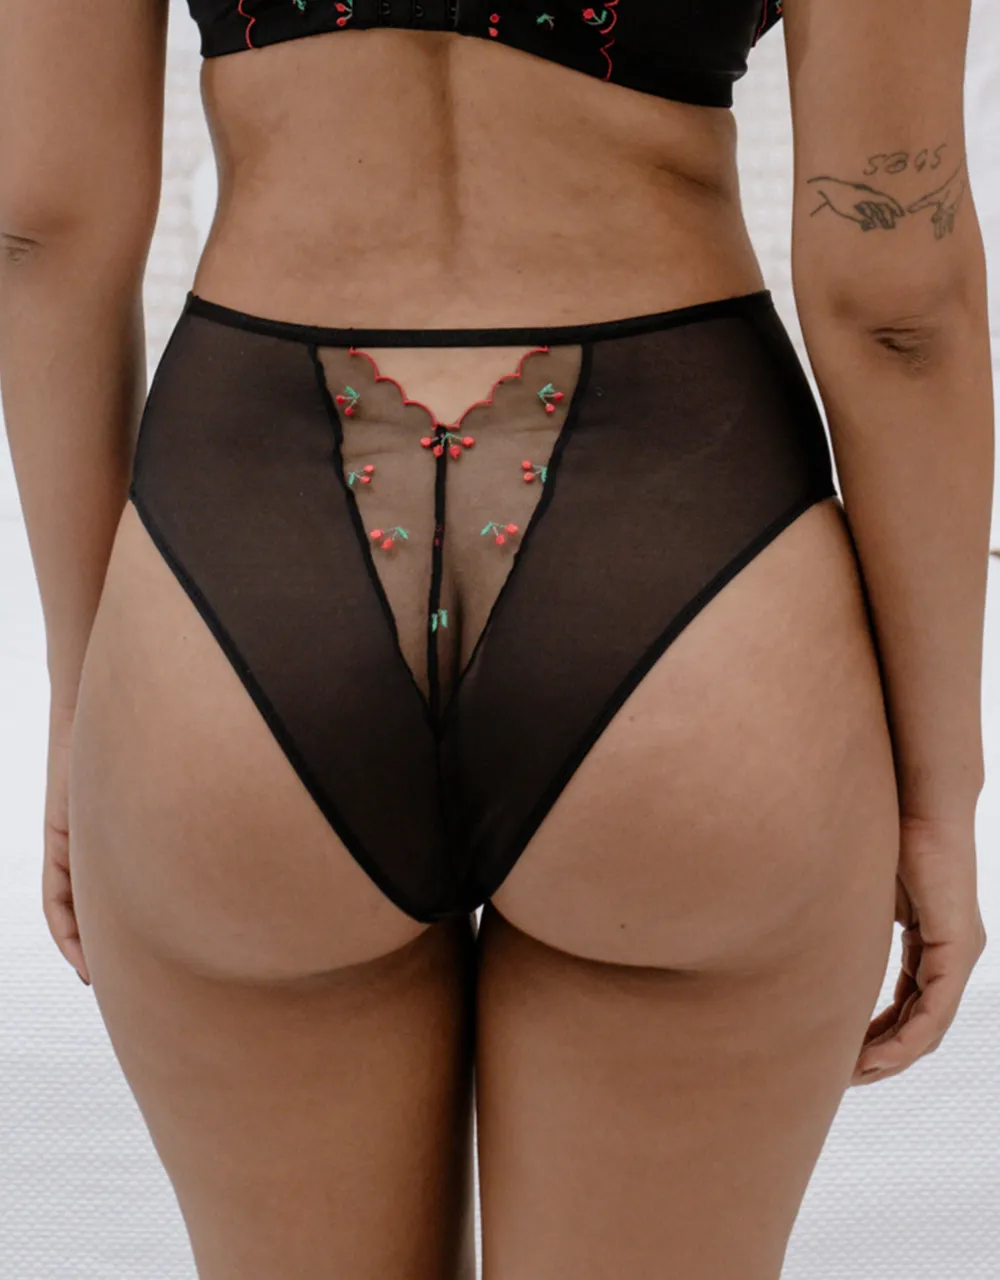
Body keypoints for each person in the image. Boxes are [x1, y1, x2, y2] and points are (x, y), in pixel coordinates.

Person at [0, 0, 991, 1275]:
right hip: (689, 558)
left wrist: (88, 692)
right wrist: (938, 790)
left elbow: (41, 228)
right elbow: (896, 301)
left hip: (242, 563)